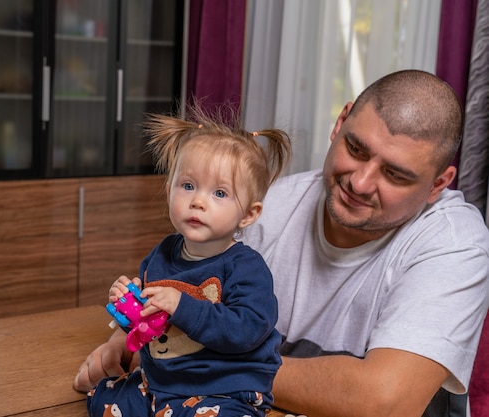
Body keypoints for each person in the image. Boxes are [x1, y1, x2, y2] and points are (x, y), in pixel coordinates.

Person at [74, 70, 489, 417]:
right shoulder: (272, 203)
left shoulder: (455, 242)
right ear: (340, 123)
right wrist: (134, 340)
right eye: (356, 148)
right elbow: (184, 287)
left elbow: (383, 400)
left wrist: (183, 363)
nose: (360, 182)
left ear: (438, 184)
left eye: (395, 175)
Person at [86, 104, 292, 417]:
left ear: (249, 214)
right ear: (169, 191)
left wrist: (182, 306)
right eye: (188, 186)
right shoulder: (161, 254)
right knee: (100, 400)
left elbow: (247, 331)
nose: (197, 201)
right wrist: (128, 306)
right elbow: (149, 328)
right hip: (163, 380)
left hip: (222, 387)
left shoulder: (246, 267)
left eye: (220, 193)